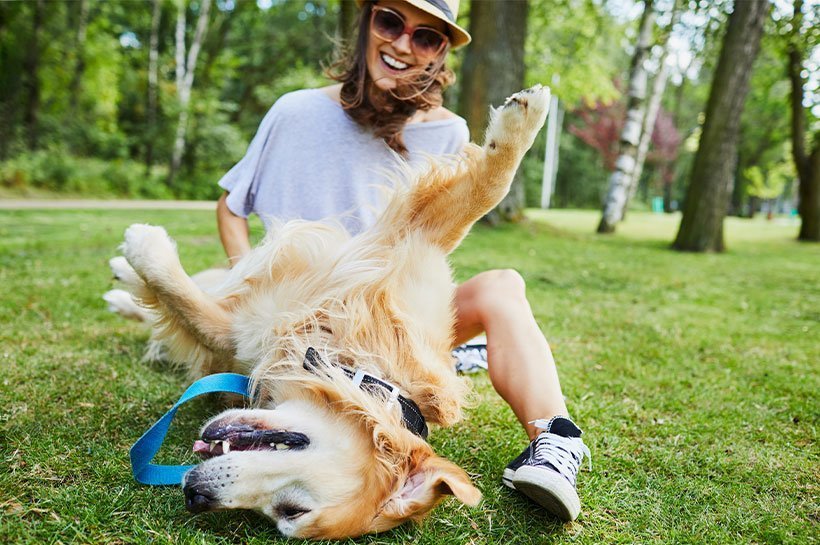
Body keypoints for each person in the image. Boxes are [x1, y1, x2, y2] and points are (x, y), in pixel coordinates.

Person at [215, 0, 590, 522]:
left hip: (387, 313)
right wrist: (245, 284)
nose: (402, 45)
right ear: (367, 21)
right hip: (301, 315)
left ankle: (554, 444)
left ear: (441, 55)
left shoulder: (449, 132)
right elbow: (231, 207)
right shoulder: (295, 111)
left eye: (427, 37)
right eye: (391, 21)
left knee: (502, 285)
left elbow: (429, 248)